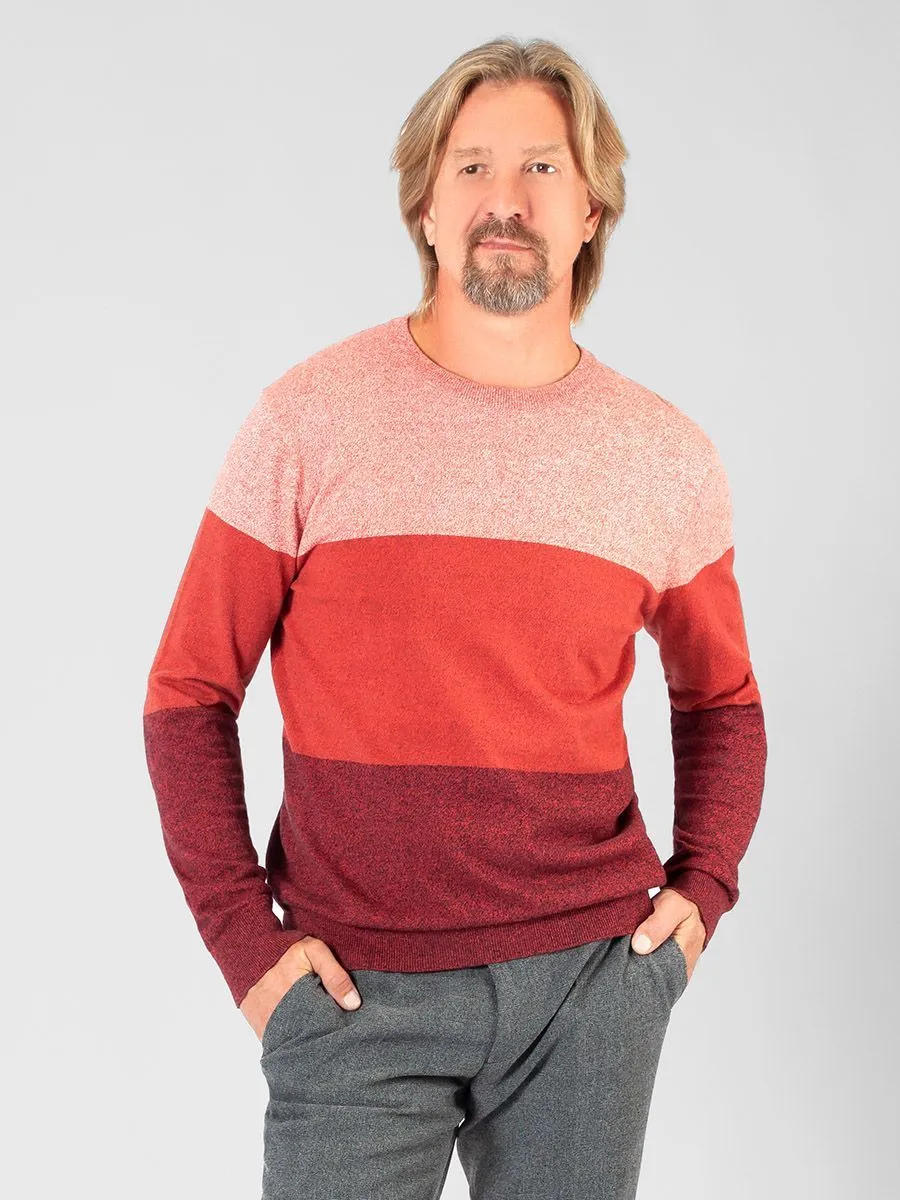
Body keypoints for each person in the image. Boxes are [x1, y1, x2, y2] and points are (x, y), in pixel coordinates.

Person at [143, 34, 767, 1200]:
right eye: (472, 166)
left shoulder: (664, 457)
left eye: (543, 167)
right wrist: (245, 944)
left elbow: (722, 700)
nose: (504, 199)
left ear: (591, 210)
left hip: (589, 990)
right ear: (424, 206)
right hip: (351, 997)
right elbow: (188, 691)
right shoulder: (306, 420)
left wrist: (699, 901)